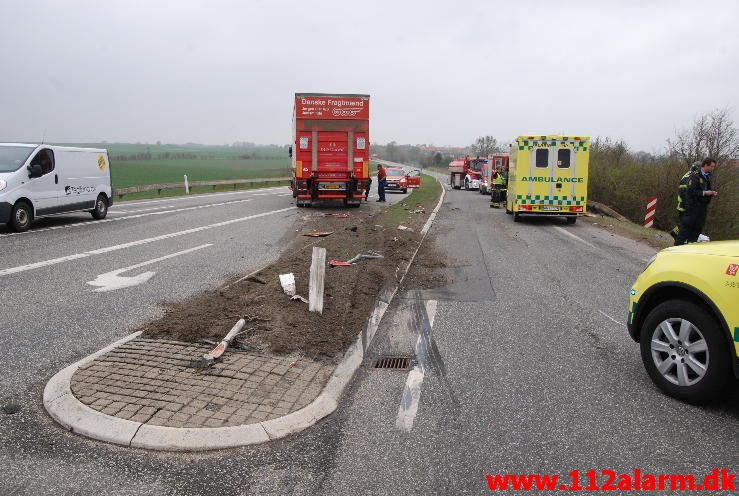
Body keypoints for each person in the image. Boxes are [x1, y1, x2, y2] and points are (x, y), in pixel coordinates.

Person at [674, 157, 718, 245]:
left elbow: (706, 188)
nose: (713, 169)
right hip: (691, 206)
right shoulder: (694, 176)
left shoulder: (708, 176)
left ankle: (690, 246)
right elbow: (689, 191)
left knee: (697, 228)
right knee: (685, 228)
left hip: (702, 207)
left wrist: (711, 193)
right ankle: (677, 247)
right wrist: (704, 193)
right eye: (711, 166)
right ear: (705, 165)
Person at [670, 161, 701, 239]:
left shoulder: (691, 176)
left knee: (686, 224)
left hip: (686, 205)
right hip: (684, 206)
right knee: (686, 225)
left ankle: (677, 236)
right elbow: (684, 193)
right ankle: (675, 234)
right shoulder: (688, 178)